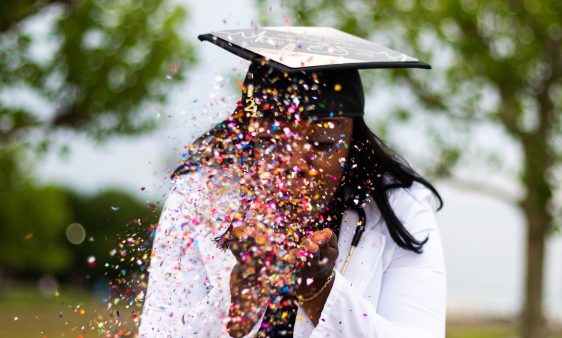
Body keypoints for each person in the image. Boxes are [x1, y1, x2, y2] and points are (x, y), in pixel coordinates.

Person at [138, 27, 446, 337]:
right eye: (275, 142)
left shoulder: (400, 206)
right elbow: (157, 331)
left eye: (323, 143)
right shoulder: (200, 196)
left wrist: (321, 292)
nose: (296, 165)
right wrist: (236, 302)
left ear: (352, 143)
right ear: (248, 138)